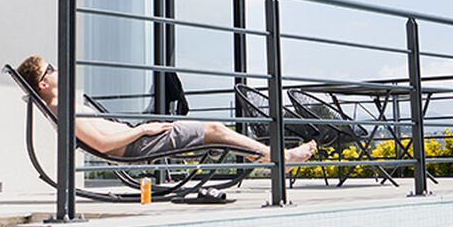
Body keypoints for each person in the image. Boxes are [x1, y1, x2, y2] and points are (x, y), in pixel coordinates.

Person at [17, 55, 315, 164]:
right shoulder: (60, 107)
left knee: (216, 133)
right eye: (51, 69)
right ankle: (280, 157)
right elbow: (102, 145)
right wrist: (143, 129)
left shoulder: (61, 105)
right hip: (139, 144)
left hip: (139, 139)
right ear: (43, 84)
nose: (57, 70)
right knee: (214, 129)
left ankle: (261, 154)